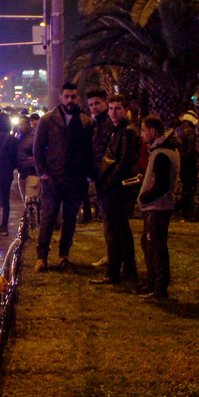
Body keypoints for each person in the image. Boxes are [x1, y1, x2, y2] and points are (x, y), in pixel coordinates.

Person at [32, 82, 95, 272]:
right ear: (61, 98)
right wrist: (43, 173)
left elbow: (89, 152)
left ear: (78, 98)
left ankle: (63, 255)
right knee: (48, 218)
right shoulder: (48, 120)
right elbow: (38, 149)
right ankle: (42, 257)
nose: (70, 100)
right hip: (52, 179)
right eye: (67, 96)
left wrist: (87, 176)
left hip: (74, 180)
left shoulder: (85, 122)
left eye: (73, 97)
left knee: (70, 219)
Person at [91, 95, 141, 286]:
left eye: (117, 108)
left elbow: (124, 161)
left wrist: (110, 181)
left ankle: (114, 273)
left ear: (126, 109)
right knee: (122, 229)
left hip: (116, 188)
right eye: (111, 108)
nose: (113, 112)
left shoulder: (127, 131)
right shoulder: (118, 130)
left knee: (114, 230)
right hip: (113, 185)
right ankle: (128, 268)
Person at [136, 115, 180, 300]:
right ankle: (153, 282)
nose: (142, 134)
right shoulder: (166, 150)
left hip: (157, 207)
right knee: (150, 244)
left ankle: (159, 287)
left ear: (152, 132)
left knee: (155, 246)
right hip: (157, 206)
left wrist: (144, 197)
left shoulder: (162, 153)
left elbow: (161, 184)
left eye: (144, 130)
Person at [82, 90, 111, 224]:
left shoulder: (110, 124)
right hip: (99, 176)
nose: (94, 107)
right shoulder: (94, 125)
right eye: (91, 104)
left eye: (97, 103)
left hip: (108, 177)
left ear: (106, 102)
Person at [174, 110, 199, 218]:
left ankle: (180, 208)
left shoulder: (178, 129)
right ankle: (184, 209)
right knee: (188, 187)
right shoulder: (190, 131)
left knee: (184, 187)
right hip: (188, 163)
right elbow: (191, 149)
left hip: (180, 161)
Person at [13, 115, 38, 209]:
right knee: (26, 203)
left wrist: (32, 162)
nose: (20, 127)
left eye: (22, 124)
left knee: (31, 204)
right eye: (18, 125)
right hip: (22, 173)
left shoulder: (35, 135)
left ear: (28, 124)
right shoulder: (20, 136)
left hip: (32, 174)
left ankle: (34, 223)